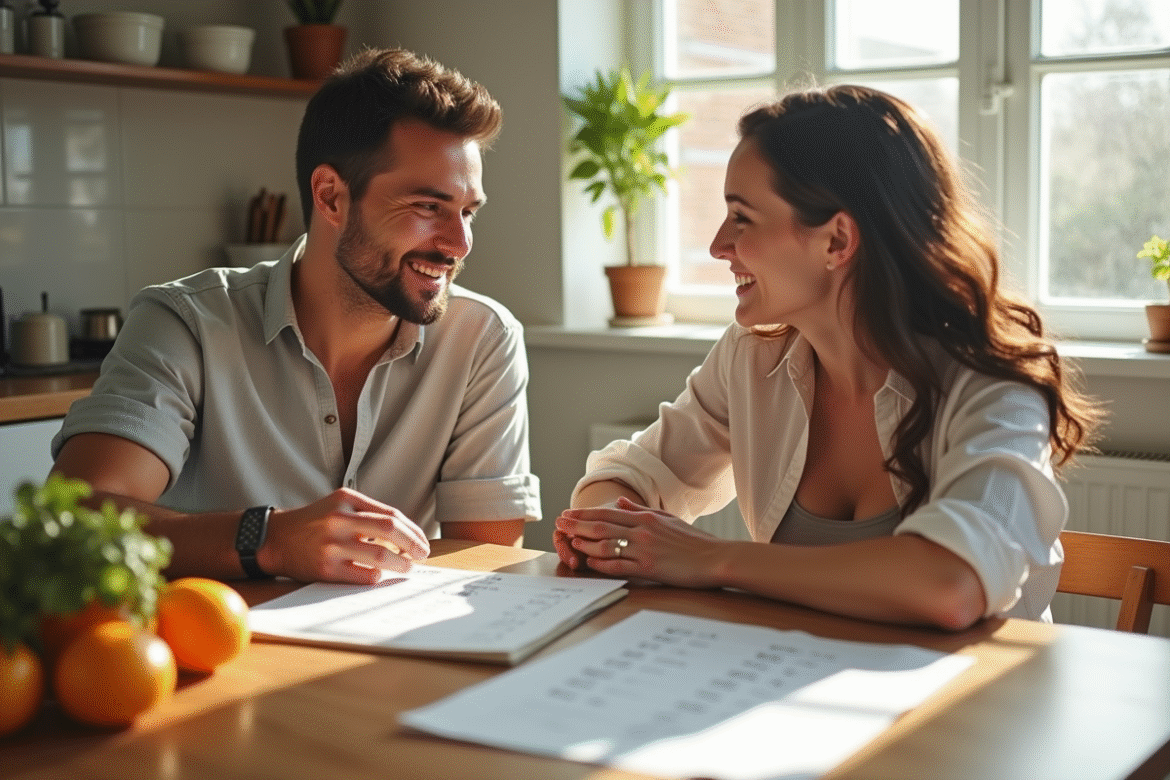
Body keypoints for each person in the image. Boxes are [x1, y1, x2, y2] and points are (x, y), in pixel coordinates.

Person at [554, 85, 1102, 630]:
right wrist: (609, 529)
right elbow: (632, 476)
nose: (719, 246)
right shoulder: (754, 358)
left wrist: (711, 559)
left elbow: (951, 583)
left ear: (837, 241)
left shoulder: (994, 383)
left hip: (974, 706)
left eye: (742, 217)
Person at [51, 48, 540, 585]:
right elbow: (76, 519)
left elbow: (482, 568)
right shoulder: (187, 323)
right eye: (428, 207)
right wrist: (268, 539)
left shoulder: (481, 339)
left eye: (467, 211)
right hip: (213, 648)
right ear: (331, 196)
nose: (458, 244)